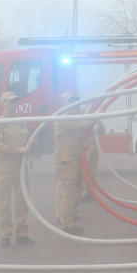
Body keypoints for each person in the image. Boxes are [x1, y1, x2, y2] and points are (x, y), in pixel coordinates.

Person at [0, 91, 35, 246]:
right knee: (5, 204)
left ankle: (22, 234)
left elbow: (27, 139)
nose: (13, 104)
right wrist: (18, 151)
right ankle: (6, 235)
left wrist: (30, 144)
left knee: (23, 202)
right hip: (5, 169)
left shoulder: (21, 121)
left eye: (15, 101)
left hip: (21, 169)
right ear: (2, 104)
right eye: (10, 101)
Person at [53, 92, 96, 235]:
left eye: (77, 103)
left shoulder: (75, 118)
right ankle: (67, 224)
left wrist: (85, 144)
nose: (74, 106)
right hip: (67, 161)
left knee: (77, 193)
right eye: (71, 103)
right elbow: (83, 125)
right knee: (70, 194)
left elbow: (79, 133)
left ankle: (69, 217)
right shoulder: (64, 119)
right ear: (65, 105)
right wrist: (96, 115)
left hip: (75, 160)